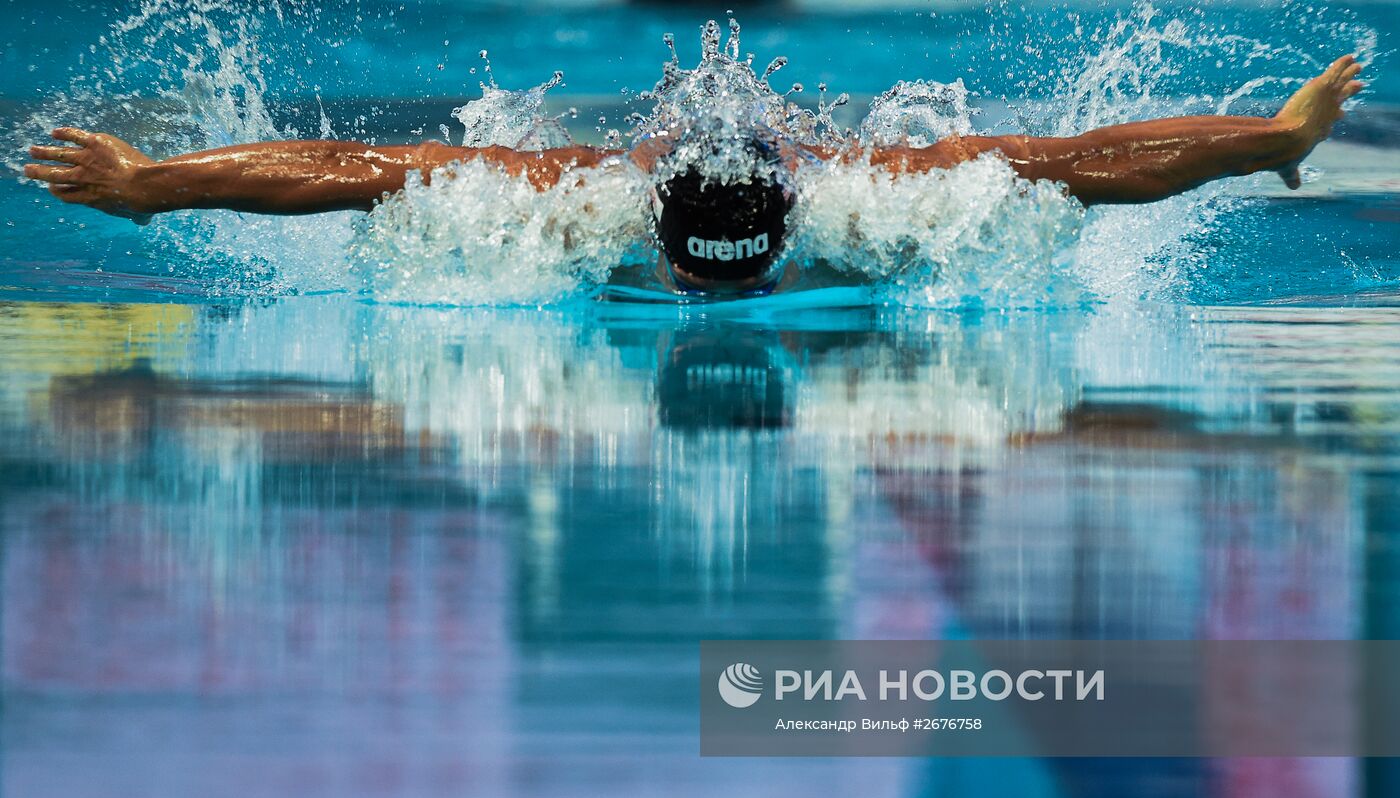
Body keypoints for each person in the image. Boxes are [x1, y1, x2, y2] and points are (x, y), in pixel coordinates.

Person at [23, 55, 1365, 298]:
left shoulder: (870, 194)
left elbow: (1089, 164)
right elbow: (346, 167)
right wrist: (152, 181)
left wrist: (1275, 140)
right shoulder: (573, 195)